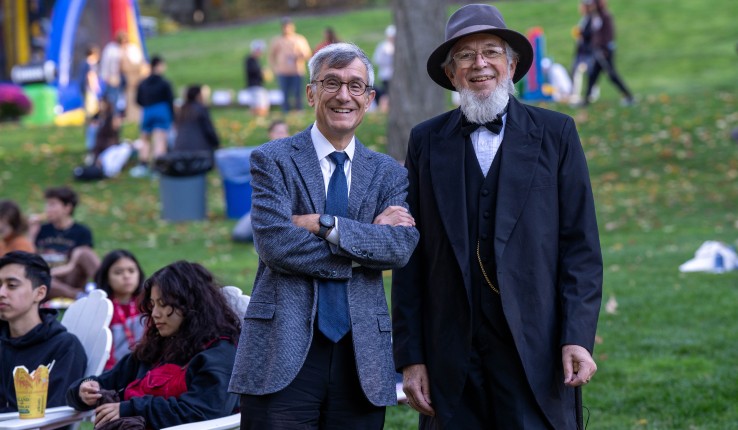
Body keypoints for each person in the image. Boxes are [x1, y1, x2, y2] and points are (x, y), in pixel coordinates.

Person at [392, 4, 603, 429]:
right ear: (451, 74)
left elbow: (580, 246)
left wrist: (577, 336)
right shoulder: (425, 142)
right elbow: (411, 258)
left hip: (536, 348)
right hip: (450, 353)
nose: (479, 64)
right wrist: (411, 357)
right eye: (465, 56)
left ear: (512, 64)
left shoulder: (556, 134)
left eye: (490, 51)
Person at [229, 42, 419, 429]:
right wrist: (364, 246)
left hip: (361, 356)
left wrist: (323, 225)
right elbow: (276, 245)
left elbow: (398, 248)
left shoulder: (389, 174)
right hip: (282, 351)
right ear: (311, 92)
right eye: (331, 82)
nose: (343, 95)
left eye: (355, 85)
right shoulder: (272, 159)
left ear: (369, 98)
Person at [66, 261, 241, 429]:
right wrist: (83, 391)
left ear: (191, 305)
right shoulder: (154, 350)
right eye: (153, 304)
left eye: (163, 305)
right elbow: (103, 382)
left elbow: (203, 412)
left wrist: (129, 408)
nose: (155, 314)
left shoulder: (220, 354)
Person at [0, 251, 87, 413]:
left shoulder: (64, 347)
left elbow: (57, 415)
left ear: (40, 293)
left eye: (11, 285)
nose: (1, 293)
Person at [32, 186, 100, 299]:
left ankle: (108, 287)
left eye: (52, 204)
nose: (47, 209)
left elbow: (79, 259)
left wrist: (60, 270)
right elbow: (27, 259)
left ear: (67, 208)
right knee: (41, 278)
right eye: (47, 204)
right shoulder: (40, 229)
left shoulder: (81, 231)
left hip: (70, 275)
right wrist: (31, 233)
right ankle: (80, 296)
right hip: (48, 280)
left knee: (86, 253)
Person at [94, 250, 145, 370]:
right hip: (112, 372)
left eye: (131, 271)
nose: (127, 276)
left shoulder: (148, 303)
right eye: (118, 272)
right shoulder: (102, 309)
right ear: (106, 277)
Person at [581, 0, 634, 106]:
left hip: (605, 52)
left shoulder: (605, 16)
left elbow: (609, 34)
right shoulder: (593, 17)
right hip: (597, 51)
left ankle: (629, 96)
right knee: (593, 75)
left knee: (612, 75)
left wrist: (604, 49)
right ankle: (586, 100)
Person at [131, 55, 175, 178]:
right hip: (161, 110)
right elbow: (170, 99)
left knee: (145, 138)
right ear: (159, 65)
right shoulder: (164, 83)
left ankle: (143, 164)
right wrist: (173, 116)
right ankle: (157, 167)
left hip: (147, 111)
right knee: (160, 140)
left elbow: (138, 100)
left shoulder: (143, 83)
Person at [268, 17, 312, 112]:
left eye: (288, 26)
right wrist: (274, 68)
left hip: (297, 71)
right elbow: (271, 56)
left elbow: (307, 54)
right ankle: (285, 111)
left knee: (298, 93)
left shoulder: (299, 39)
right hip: (282, 71)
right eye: (284, 27)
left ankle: (299, 110)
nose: (286, 29)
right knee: (285, 93)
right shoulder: (277, 40)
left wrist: (300, 56)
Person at [172, 85, 220, 161]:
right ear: (199, 96)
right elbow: (209, 130)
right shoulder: (201, 109)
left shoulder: (182, 110)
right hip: (199, 152)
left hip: (179, 150)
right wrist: (217, 144)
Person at [372, 24, 395, 112]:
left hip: (395, 75)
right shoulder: (382, 46)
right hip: (386, 74)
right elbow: (377, 59)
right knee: (386, 93)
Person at [244, 39, 270, 117]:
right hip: (254, 86)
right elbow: (253, 71)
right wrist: (262, 72)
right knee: (259, 107)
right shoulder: (250, 60)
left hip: (258, 85)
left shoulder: (257, 60)